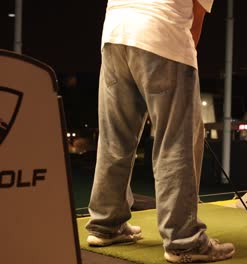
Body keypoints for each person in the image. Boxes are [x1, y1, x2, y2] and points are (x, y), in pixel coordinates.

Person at [85, 0, 235, 263]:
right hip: (160, 33)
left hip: (114, 35)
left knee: (115, 138)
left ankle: (105, 225)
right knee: (176, 141)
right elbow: (193, 26)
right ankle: (184, 241)